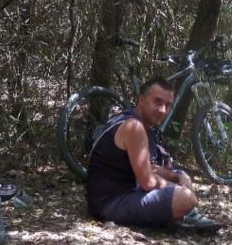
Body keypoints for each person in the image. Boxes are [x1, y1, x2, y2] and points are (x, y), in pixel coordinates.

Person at [86, 76, 222, 233]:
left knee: (181, 174)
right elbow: (148, 182)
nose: (162, 110)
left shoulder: (133, 121)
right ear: (141, 100)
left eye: (167, 105)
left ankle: (184, 215)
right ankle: (186, 214)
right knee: (186, 198)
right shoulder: (134, 127)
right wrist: (180, 189)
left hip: (122, 193)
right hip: (110, 204)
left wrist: (177, 177)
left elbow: (149, 167)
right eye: (157, 101)